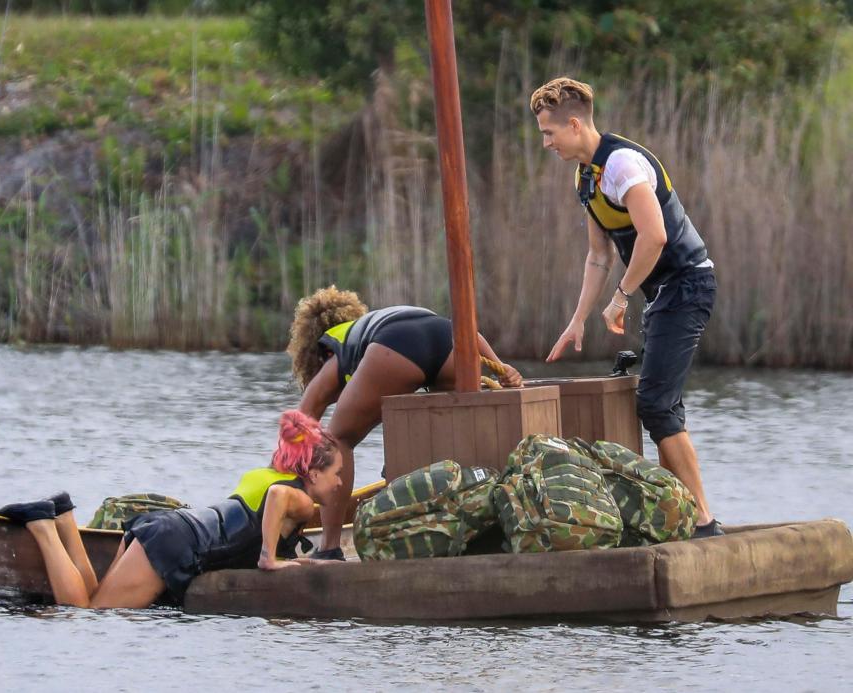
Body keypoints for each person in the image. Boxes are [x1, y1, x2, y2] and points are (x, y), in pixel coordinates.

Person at [530, 77, 722, 538]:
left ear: (574, 124)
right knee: (656, 403)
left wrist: (620, 298)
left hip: (688, 283)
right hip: (662, 293)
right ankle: (686, 518)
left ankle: (702, 521)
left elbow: (654, 237)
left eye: (549, 133)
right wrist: (577, 319)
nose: (546, 143)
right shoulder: (585, 178)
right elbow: (598, 254)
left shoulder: (623, 165)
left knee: (656, 404)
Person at [0, 411, 343, 609]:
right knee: (84, 615)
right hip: (177, 545)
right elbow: (279, 497)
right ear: (312, 473)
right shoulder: (299, 497)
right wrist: (269, 558)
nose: (340, 483)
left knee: (97, 601)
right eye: (336, 474)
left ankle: (65, 519)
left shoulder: (263, 474)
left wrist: (303, 561)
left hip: (170, 529)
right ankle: (43, 527)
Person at [288, 285, 523, 557]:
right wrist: (501, 367)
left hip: (398, 346)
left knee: (337, 440)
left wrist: (285, 483)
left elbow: (302, 422)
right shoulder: (378, 321)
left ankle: (328, 549)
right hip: (450, 341)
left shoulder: (333, 346)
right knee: (440, 424)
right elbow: (464, 333)